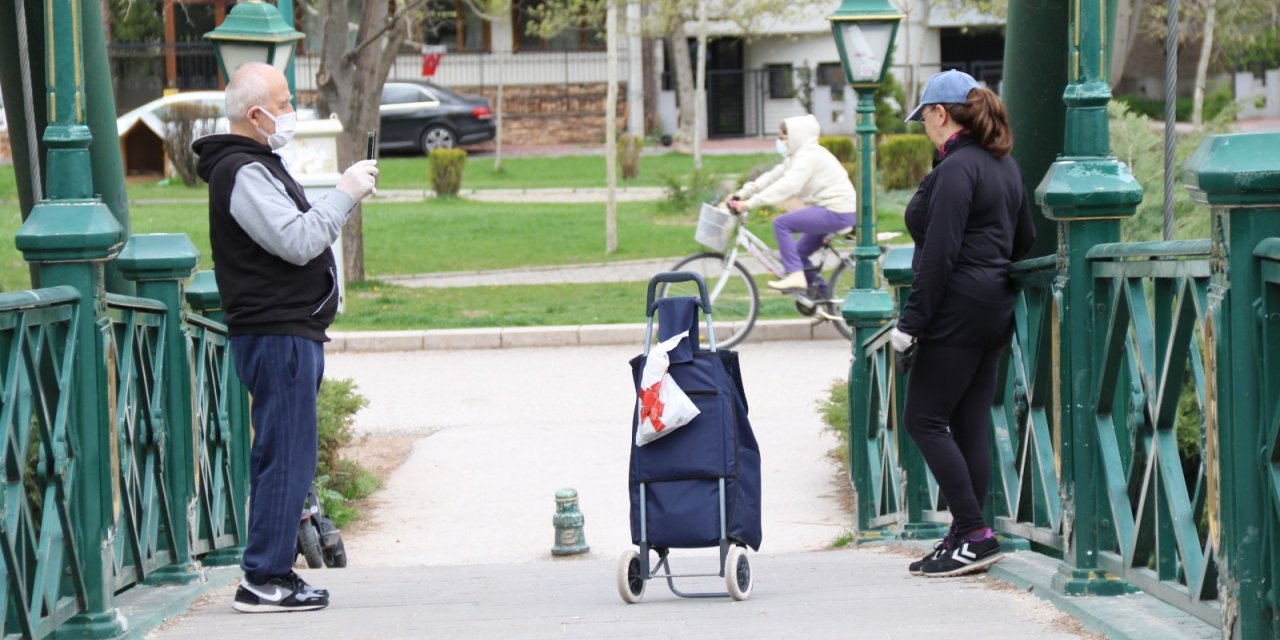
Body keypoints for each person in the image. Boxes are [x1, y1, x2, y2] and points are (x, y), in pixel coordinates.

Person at [193, 62, 379, 613]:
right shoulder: (242, 171)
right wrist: (344, 192)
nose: (292, 108)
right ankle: (261, 579)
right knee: (285, 456)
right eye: (284, 101)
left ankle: (274, 572)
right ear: (256, 114)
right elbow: (297, 241)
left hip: (286, 331)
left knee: (289, 454)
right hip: (276, 333)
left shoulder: (255, 164)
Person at [891, 70, 1036, 578]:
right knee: (970, 418)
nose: (923, 127)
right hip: (994, 307)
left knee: (923, 420)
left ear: (939, 113)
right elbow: (1025, 239)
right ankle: (968, 534)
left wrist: (911, 323)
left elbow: (939, 254)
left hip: (954, 309)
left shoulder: (957, 169)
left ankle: (974, 532)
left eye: (924, 118)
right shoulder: (1003, 165)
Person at [725, 114, 857, 292]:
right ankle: (824, 301)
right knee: (798, 253)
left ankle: (795, 275)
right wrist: (740, 194)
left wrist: (749, 204)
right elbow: (771, 177)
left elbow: (787, 186)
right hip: (831, 210)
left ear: (797, 136)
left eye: (783, 138)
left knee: (781, 223)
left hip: (837, 211)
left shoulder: (808, 156)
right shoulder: (797, 157)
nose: (782, 142)